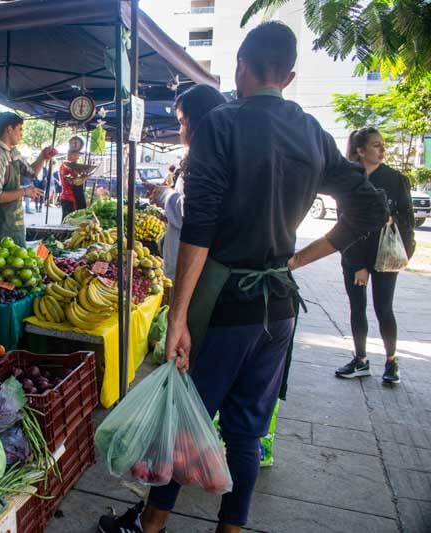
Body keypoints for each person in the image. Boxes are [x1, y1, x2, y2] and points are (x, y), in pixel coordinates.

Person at [99, 22, 387, 533]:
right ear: (291, 75)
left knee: (184, 420)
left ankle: (151, 525)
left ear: (241, 66)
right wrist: (298, 259)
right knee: (247, 433)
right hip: (278, 307)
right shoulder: (311, 131)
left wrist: (180, 314)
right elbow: (369, 206)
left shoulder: (222, 124)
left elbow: (201, 226)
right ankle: (231, 528)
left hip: (225, 302)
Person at [335, 127, 415, 384]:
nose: (382, 150)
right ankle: (360, 360)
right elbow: (343, 224)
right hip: (354, 253)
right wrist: (357, 263)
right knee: (357, 307)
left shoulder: (395, 179)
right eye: (376, 145)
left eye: (383, 144)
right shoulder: (350, 180)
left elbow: (408, 220)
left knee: (384, 308)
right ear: (360, 150)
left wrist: (403, 251)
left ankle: (391, 362)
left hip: (385, 254)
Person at [150, 84, 226, 281]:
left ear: (199, 121)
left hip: (192, 275)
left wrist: (165, 196)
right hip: (188, 269)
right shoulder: (210, 155)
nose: (180, 129)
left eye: (182, 122)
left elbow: (192, 212)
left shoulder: (208, 161)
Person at [0, 112, 50, 245]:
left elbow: (32, 173)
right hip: (0, 223)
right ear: (9, 129)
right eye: (20, 129)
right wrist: (25, 191)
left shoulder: (13, 152)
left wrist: (42, 157)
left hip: (14, 221)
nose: (21, 134)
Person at [59, 149, 87, 220]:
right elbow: (73, 181)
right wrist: (84, 178)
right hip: (68, 197)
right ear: (69, 155)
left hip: (72, 197)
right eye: (75, 155)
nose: (77, 157)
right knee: (67, 220)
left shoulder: (72, 166)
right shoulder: (66, 166)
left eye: (78, 155)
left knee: (72, 219)